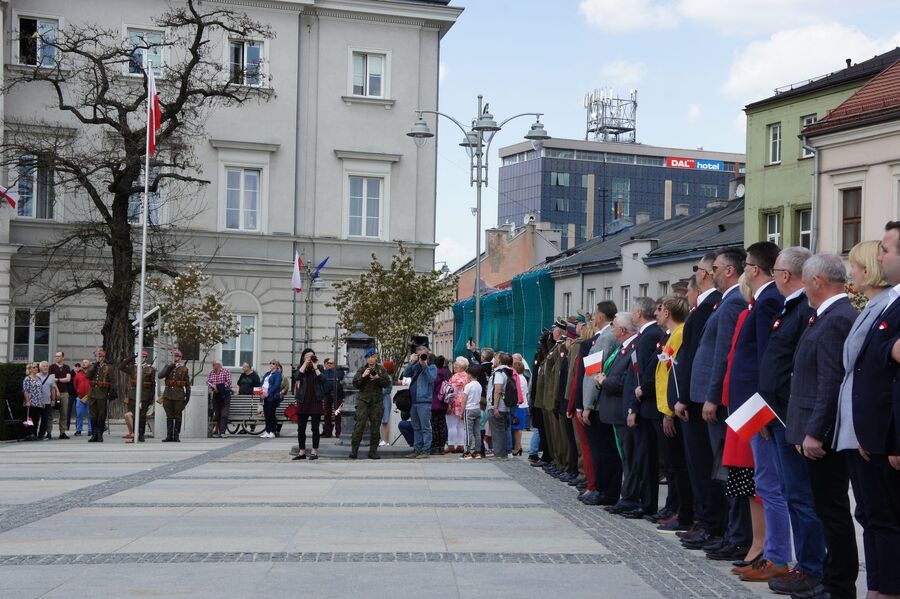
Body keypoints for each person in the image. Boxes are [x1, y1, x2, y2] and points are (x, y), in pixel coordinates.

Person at [786, 252, 859, 599]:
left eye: (805, 282)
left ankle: (839, 585)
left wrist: (815, 431)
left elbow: (831, 381)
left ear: (816, 281)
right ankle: (832, 579)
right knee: (826, 509)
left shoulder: (838, 318)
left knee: (833, 512)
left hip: (823, 436)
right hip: (813, 429)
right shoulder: (826, 316)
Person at [757, 247, 826, 596]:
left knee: (801, 497)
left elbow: (801, 370)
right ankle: (806, 565)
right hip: (780, 416)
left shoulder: (804, 311)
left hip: (791, 418)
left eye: (774, 271)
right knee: (792, 493)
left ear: (784, 275)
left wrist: (782, 410)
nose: (773, 277)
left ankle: (812, 567)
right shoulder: (791, 308)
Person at [728, 242, 791, 577]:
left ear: (754, 268)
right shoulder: (762, 300)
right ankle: (767, 552)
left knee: (768, 484)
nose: (744, 269)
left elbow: (769, 357)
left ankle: (774, 555)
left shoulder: (768, 301)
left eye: (746, 264)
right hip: (751, 405)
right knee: (762, 482)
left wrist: (764, 409)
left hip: (760, 407)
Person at [685, 247, 750, 557]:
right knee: (716, 468)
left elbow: (724, 355)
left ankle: (728, 532)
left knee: (725, 470)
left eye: (714, 269)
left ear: (728, 271)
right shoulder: (726, 303)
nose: (707, 275)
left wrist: (712, 397)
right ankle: (723, 530)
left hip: (718, 401)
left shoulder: (734, 302)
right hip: (708, 397)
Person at [851, 224, 900, 599]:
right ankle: (879, 587)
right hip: (874, 434)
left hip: (888, 437)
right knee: (871, 516)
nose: (880, 256)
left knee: (886, 521)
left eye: (886, 249)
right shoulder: (892, 302)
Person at [673, 262, 723, 550]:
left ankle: (709, 522)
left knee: (704, 466)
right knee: (697, 466)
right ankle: (703, 520)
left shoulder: (711, 306)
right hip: (693, 397)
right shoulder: (704, 308)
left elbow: (697, 357)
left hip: (699, 399)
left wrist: (688, 396)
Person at [622, 297, 664, 520]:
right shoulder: (645, 336)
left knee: (646, 458)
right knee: (641, 457)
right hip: (641, 405)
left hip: (647, 406)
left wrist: (634, 407)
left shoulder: (649, 337)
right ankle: (642, 501)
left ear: (638, 313)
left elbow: (643, 376)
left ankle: (647, 503)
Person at [654, 295, 693, 532]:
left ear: (668, 312)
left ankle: (684, 512)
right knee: (673, 465)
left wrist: (669, 411)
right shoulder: (671, 336)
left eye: (659, 309)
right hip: (665, 407)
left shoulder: (679, 334)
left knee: (679, 466)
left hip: (672, 410)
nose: (656, 312)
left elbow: (675, 376)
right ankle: (678, 508)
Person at [350, 348, 391, 459]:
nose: (371, 359)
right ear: (367, 359)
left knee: (375, 427)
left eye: (373, 357)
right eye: (369, 357)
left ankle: (373, 451)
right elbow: (355, 384)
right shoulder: (362, 369)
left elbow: (387, 383)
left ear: (376, 358)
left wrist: (378, 378)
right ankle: (354, 451)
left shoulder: (381, 370)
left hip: (376, 402)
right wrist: (363, 376)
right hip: (363, 401)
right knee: (359, 425)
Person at [402, 346, 437, 458]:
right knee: (416, 427)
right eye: (419, 354)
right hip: (413, 401)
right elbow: (406, 374)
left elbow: (431, 379)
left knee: (425, 427)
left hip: (424, 401)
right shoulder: (416, 366)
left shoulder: (432, 367)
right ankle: (417, 449)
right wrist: (412, 361)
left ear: (427, 355)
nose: (422, 357)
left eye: (424, 354)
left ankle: (426, 450)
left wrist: (425, 366)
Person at [293, 349, 325, 459]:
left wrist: (315, 366)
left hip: (316, 401)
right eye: (307, 356)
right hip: (303, 401)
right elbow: (297, 377)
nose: (309, 358)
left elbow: (322, 379)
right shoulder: (300, 368)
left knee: (315, 428)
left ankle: (314, 451)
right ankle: (302, 452)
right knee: (301, 428)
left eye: (311, 356)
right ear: (303, 358)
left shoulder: (319, 367)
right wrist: (305, 364)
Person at [119, 351, 156, 442]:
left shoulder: (150, 369)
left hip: (144, 395)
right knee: (134, 415)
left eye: (142, 357)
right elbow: (121, 367)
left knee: (142, 416)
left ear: (145, 358)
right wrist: (131, 357)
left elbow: (152, 385)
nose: (140, 359)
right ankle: (135, 435)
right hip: (133, 395)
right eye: (139, 357)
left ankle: (141, 434)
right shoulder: (133, 368)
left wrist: (150, 399)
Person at [157, 349, 190, 442]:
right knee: (169, 415)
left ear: (180, 358)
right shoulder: (168, 366)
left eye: (176, 356)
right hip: (168, 395)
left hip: (179, 395)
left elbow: (187, 385)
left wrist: (187, 397)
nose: (175, 358)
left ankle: (176, 435)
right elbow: (160, 375)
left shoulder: (184, 369)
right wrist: (169, 367)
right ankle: (169, 436)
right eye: (173, 356)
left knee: (178, 416)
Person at [86, 349, 114, 443]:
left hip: (102, 393)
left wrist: (110, 393)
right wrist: (94, 365)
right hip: (93, 393)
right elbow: (88, 375)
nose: (99, 358)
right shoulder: (94, 367)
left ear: (104, 357)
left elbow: (112, 381)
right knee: (93, 415)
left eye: (101, 356)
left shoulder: (107, 367)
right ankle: (94, 434)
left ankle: (100, 434)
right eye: (98, 356)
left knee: (101, 415)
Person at [446, 357, 469, 454]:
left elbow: (451, 392)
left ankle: (451, 445)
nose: (455, 366)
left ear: (460, 367)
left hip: (455, 402)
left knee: (452, 425)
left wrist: (449, 404)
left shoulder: (454, 377)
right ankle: (460, 445)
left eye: (456, 365)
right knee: (461, 425)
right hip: (464, 402)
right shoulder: (467, 377)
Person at [430, 356, 451, 455]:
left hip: (435, 402)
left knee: (434, 425)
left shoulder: (436, 373)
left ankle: (435, 446)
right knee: (442, 424)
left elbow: (432, 385)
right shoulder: (446, 373)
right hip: (443, 402)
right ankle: (441, 447)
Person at [461, 364, 483, 459]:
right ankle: (477, 451)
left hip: (469, 410)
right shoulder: (479, 385)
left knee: (468, 431)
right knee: (477, 431)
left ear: (469, 375)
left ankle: (467, 451)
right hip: (477, 409)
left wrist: (462, 412)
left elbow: (464, 400)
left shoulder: (468, 386)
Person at [206, 360, 232, 438]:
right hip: (216, 395)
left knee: (224, 414)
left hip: (225, 394)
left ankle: (222, 432)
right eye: (213, 365)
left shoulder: (226, 371)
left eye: (214, 365)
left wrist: (218, 387)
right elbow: (208, 381)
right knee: (217, 414)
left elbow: (229, 382)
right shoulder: (211, 372)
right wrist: (211, 386)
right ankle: (219, 431)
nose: (213, 366)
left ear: (219, 365)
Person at [48, 351, 71, 440]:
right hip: (53, 392)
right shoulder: (52, 367)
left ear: (63, 358)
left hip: (65, 393)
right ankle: (49, 432)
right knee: (51, 413)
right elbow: (52, 380)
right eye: (56, 356)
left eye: (59, 356)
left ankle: (62, 432)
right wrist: (56, 390)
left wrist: (58, 379)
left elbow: (68, 379)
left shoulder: (67, 367)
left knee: (64, 413)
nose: (57, 358)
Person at [257, 360, 282, 439]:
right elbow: (262, 383)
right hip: (264, 396)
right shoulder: (267, 374)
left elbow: (276, 385)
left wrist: (268, 392)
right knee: (267, 414)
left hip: (272, 397)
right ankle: (267, 431)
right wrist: (261, 392)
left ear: (277, 366)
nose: (271, 365)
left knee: (271, 414)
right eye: (270, 363)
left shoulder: (278, 374)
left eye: (273, 363)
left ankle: (273, 431)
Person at [321, 357, 344, 438]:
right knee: (327, 414)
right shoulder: (324, 372)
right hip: (327, 395)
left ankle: (338, 432)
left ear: (335, 364)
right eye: (328, 363)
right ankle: (328, 432)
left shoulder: (340, 372)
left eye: (331, 363)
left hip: (338, 395)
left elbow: (341, 382)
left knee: (338, 414)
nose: (329, 364)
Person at [35, 361, 57, 441]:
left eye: (47, 366)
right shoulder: (35, 376)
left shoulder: (51, 378)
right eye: (43, 366)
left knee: (45, 420)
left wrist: (53, 400)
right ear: (40, 367)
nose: (45, 368)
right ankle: (34, 434)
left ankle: (41, 435)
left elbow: (53, 390)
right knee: (35, 419)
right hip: (36, 402)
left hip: (47, 402)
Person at [22, 363, 44, 441]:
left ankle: (34, 434)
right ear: (30, 369)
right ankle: (29, 434)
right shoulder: (27, 379)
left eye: (36, 367)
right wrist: (27, 401)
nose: (36, 369)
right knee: (29, 419)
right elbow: (25, 391)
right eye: (34, 367)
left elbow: (40, 391)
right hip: (30, 402)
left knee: (36, 419)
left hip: (38, 402)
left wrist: (42, 401)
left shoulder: (38, 378)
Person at [72, 360, 92, 437]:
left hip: (89, 397)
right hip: (80, 398)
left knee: (90, 415)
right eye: (83, 362)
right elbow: (75, 385)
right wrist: (79, 391)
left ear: (89, 364)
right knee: (79, 415)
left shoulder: (91, 374)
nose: (83, 363)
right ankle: (78, 430)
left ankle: (90, 430)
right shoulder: (78, 374)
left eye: (86, 362)